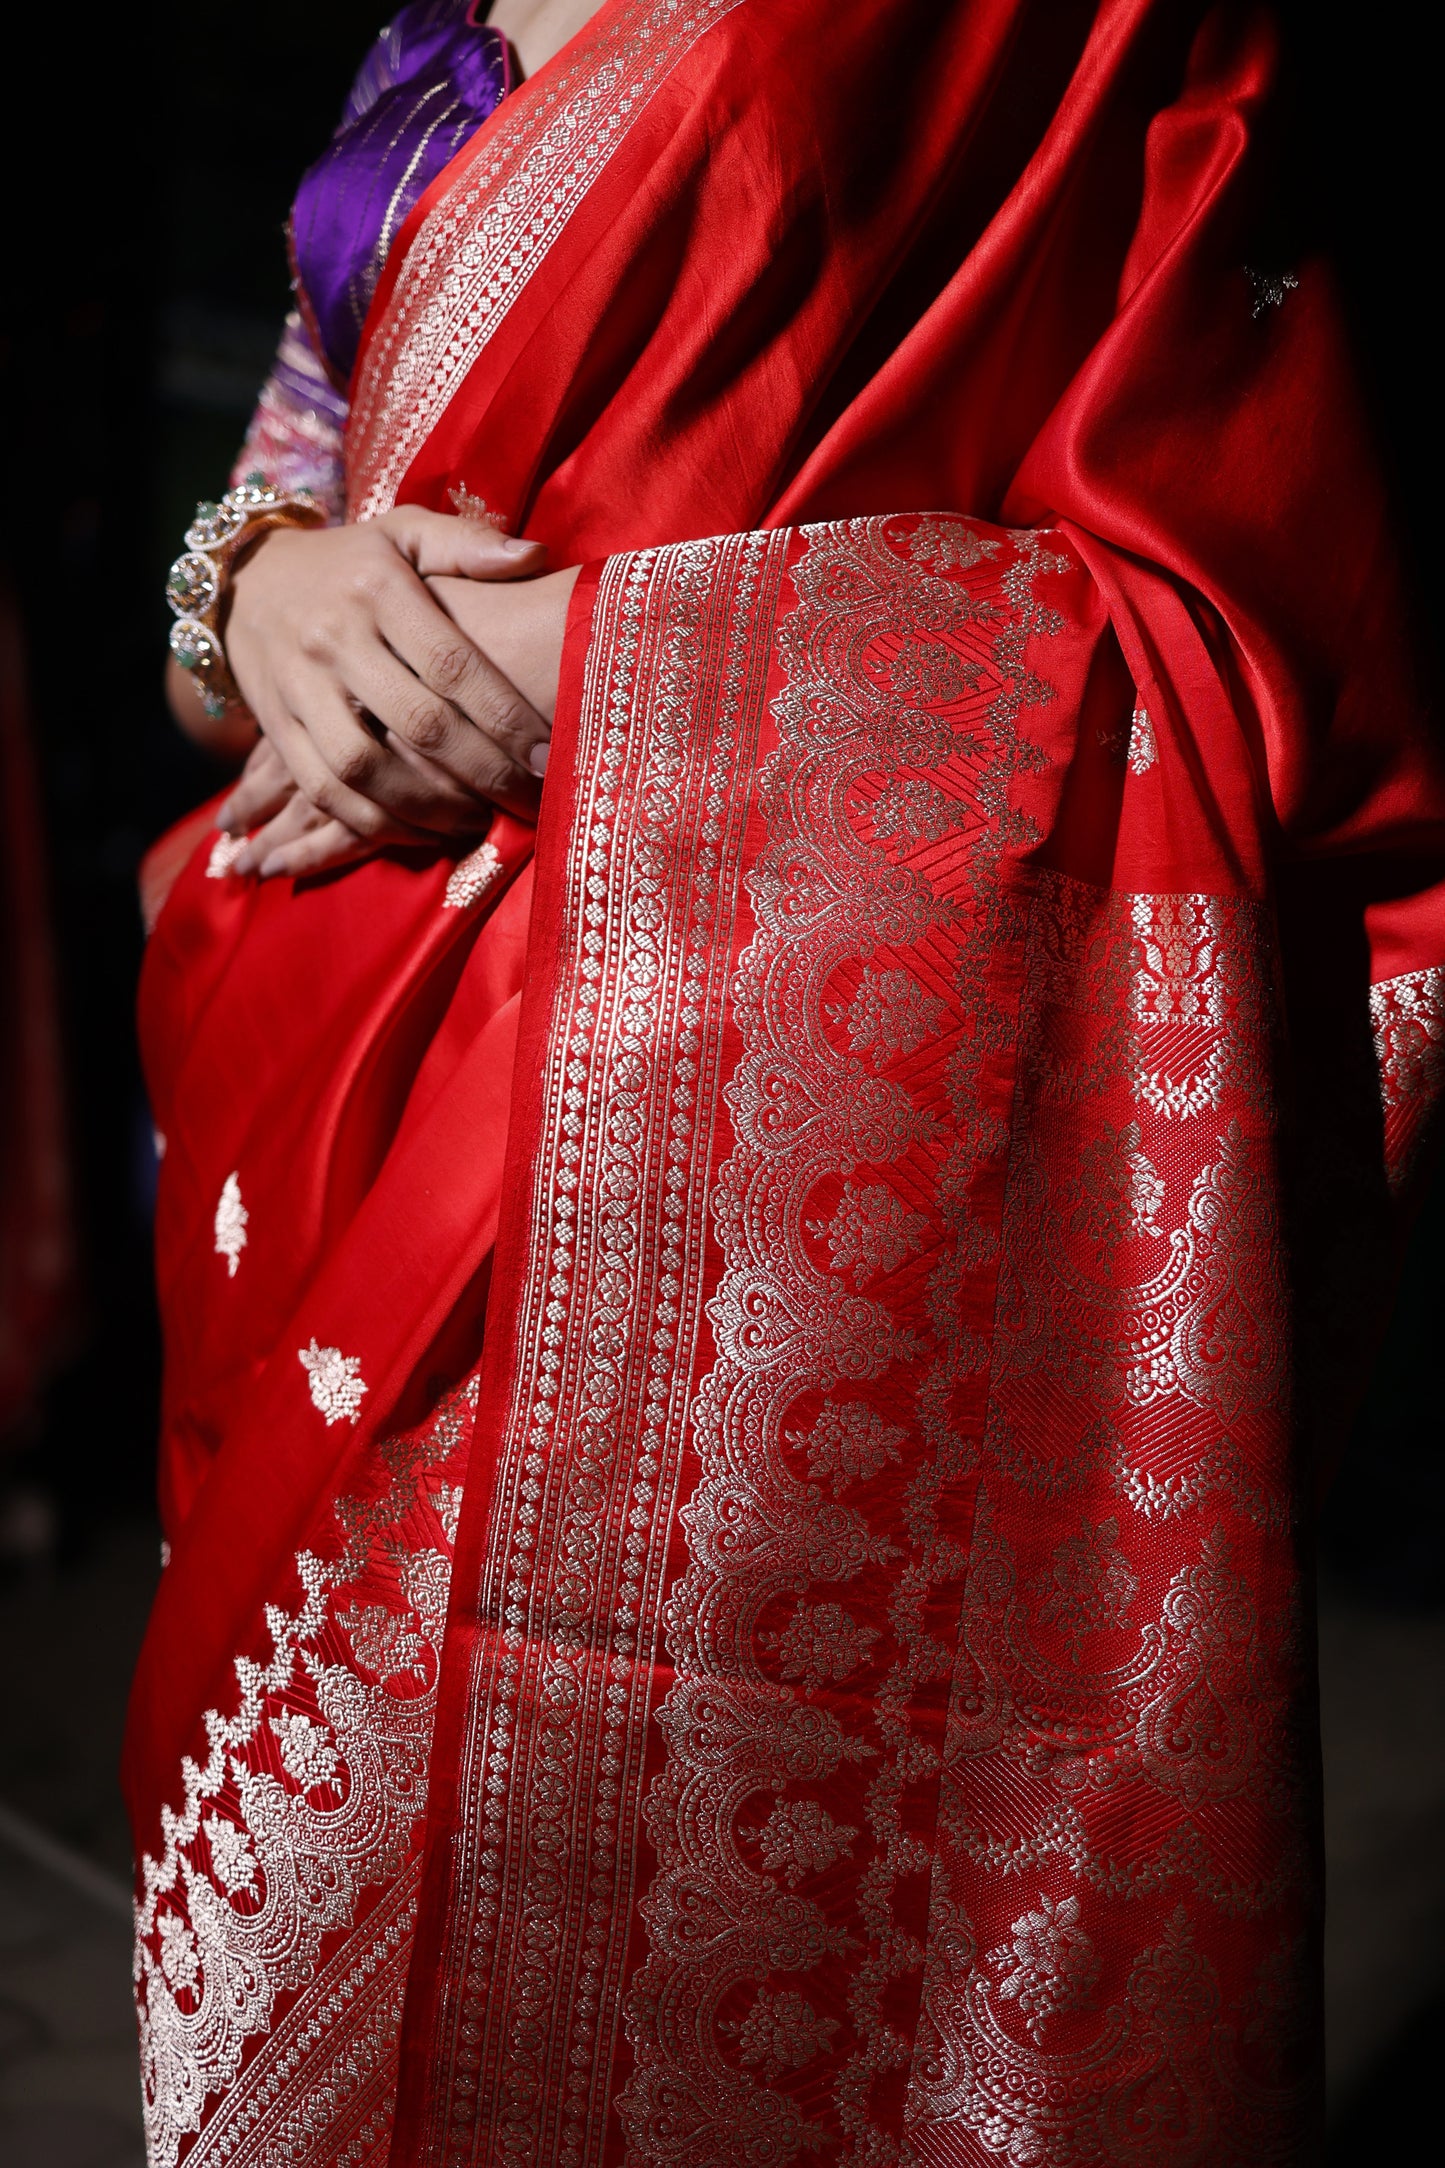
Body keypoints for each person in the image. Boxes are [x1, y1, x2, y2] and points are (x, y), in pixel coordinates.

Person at [124, 2, 1445, 2163]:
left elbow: (1242, 628)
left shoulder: (1069, 34)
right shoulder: (432, 18)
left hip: (750, 1140)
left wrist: (603, 670)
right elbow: (294, 480)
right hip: (320, 1055)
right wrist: (257, 592)